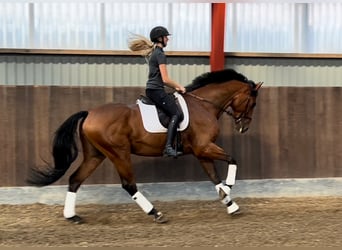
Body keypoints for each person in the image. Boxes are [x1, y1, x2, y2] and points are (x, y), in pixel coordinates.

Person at [129, 26, 186, 157]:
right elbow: (165, 79)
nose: (168, 40)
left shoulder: (155, 53)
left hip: (153, 90)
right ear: (160, 38)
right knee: (176, 113)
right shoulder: (160, 54)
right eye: (166, 37)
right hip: (156, 91)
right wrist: (179, 86)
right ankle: (168, 147)